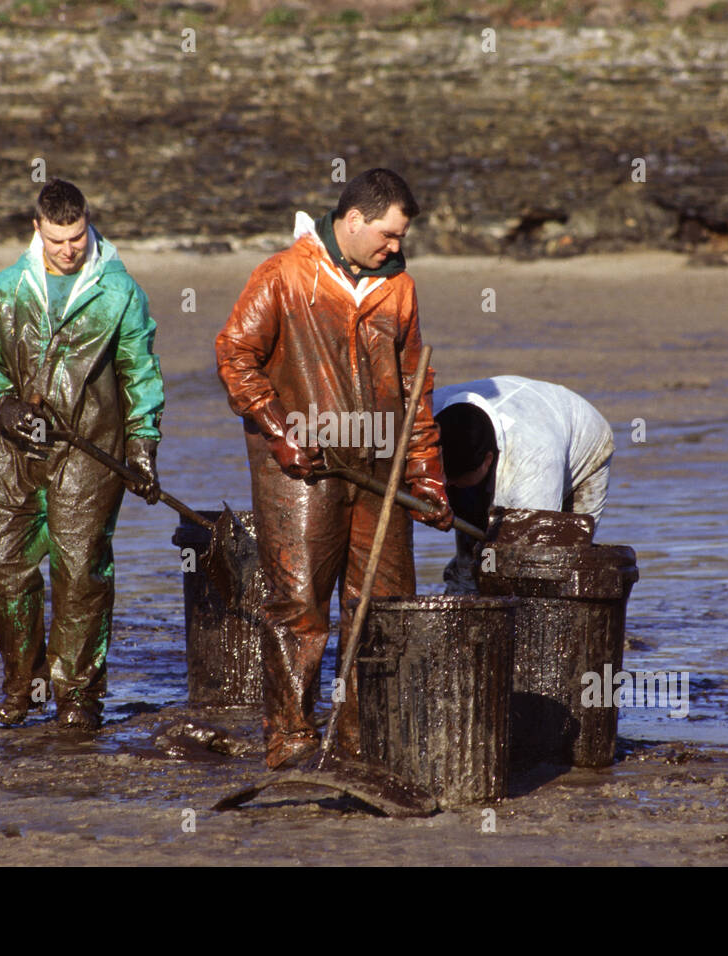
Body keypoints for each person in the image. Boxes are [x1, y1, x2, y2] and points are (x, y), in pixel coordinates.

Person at [215, 168, 454, 769]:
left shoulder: (399, 290)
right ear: (353, 221)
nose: (396, 246)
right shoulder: (283, 275)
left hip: (380, 469)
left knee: (384, 600)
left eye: (400, 237)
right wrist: (280, 430)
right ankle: (291, 736)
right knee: (299, 603)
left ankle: (361, 734)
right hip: (302, 471)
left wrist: (427, 476)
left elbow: (413, 386)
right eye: (389, 234)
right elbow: (235, 356)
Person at [0, 179, 165, 731]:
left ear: (87, 225)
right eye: (57, 240)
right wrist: (2, 407)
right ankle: (22, 686)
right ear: (37, 229)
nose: (68, 250)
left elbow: (139, 373)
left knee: (80, 572)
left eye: (75, 238)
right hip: (12, 451)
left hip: (92, 450)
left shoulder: (119, 292)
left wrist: (143, 447)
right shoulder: (7, 288)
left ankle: (78, 695)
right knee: (2, 563)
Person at [433, 375, 614, 593]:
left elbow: (531, 554)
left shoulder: (533, 464)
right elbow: (381, 433)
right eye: (442, 476)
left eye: (454, 479)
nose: (446, 484)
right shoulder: (427, 415)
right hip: (521, 416)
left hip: (585, 444)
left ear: (488, 460)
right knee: (469, 568)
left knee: (559, 563)